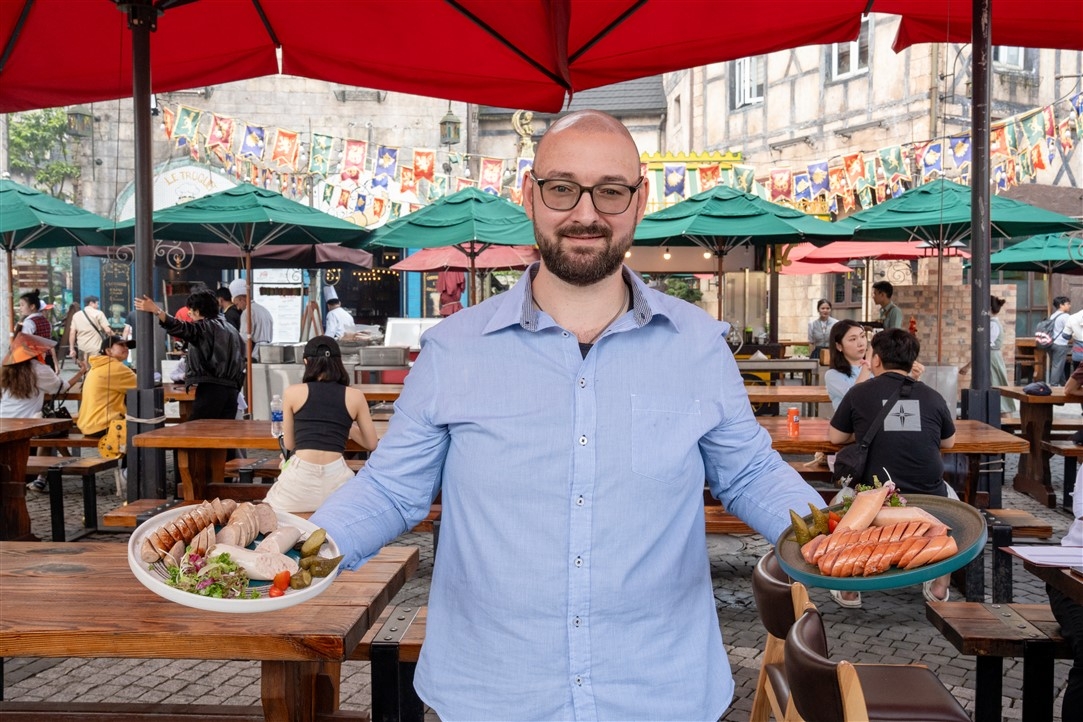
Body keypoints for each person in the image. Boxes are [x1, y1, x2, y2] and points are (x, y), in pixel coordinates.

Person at [310, 110, 824, 719]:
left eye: (610, 191)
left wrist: (837, 534)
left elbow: (749, 475)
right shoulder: (454, 349)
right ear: (530, 195)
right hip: (492, 693)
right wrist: (296, 545)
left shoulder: (698, 345)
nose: (586, 213)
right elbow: (392, 491)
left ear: (639, 202)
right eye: (563, 188)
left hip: (660, 692)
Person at [829, 328, 956, 604]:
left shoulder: (859, 394)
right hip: (930, 496)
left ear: (876, 360)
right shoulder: (933, 397)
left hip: (874, 499)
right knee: (956, 504)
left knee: (838, 505)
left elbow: (835, 437)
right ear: (912, 362)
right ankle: (939, 584)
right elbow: (948, 443)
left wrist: (863, 431)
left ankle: (848, 585)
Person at [264, 336, 378, 513]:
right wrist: (347, 428)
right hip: (337, 483)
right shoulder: (355, 396)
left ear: (306, 362)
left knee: (267, 511)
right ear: (338, 363)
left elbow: (289, 444)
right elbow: (372, 444)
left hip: (298, 484)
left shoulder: (293, 393)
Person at [134, 289, 245, 421]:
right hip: (232, 391)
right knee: (222, 434)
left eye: (191, 310)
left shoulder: (204, 327)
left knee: (198, 430)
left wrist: (156, 310)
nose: (189, 314)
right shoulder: (231, 329)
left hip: (211, 389)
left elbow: (180, 327)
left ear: (197, 311)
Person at [1, 333, 88, 492]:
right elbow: (60, 387)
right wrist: (81, 372)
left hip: (3, 420)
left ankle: (63, 464)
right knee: (49, 430)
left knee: (48, 428)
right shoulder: (38, 369)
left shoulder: (6, 369)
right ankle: (43, 476)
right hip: (27, 424)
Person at [77, 334, 137, 437]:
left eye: (126, 346)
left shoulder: (96, 366)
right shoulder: (116, 367)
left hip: (88, 424)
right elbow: (145, 387)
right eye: (121, 345)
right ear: (108, 351)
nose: (126, 348)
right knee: (146, 431)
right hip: (104, 425)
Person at [228, 278, 273, 361]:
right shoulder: (264, 310)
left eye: (237, 304)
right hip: (268, 354)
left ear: (242, 299)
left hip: (254, 356)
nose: (237, 308)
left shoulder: (247, 312)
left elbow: (244, 339)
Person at [989, 295, 1016, 415]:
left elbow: (987, 346)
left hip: (991, 359)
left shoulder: (992, 325)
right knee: (995, 386)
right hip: (992, 358)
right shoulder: (992, 323)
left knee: (995, 388)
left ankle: (1005, 420)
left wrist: (968, 366)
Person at [16, 289, 56, 369]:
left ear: (32, 306)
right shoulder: (46, 321)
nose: (20, 308)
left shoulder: (29, 323)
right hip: (48, 359)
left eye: (22, 305)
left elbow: (25, 345)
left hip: (35, 360)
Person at [68, 295, 112, 361]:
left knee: (85, 369)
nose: (98, 306)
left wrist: (72, 349)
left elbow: (72, 333)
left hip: (82, 348)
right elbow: (108, 330)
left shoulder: (76, 315)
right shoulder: (99, 313)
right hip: (96, 348)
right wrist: (117, 339)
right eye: (97, 303)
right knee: (96, 369)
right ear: (91, 303)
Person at [1047, 296, 1072, 386]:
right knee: (1057, 366)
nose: (1070, 306)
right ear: (1061, 305)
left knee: (1058, 365)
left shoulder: (1053, 315)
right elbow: (1071, 329)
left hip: (1051, 343)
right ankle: (1053, 386)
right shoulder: (1065, 316)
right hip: (1060, 344)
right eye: (1068, 304)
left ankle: (1064, 384)